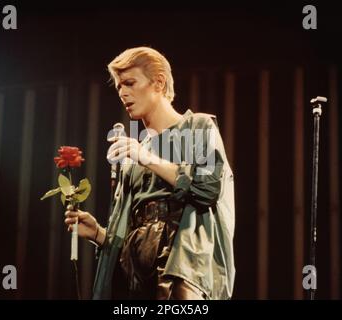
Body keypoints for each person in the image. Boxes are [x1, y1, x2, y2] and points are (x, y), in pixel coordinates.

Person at [64, 47, 235, 300]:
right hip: (136, 279)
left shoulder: (198, 127)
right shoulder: (132, 157)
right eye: (120, 86)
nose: (122, 93)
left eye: (130, 83)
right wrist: (100, 235)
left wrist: (147, 157)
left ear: (158, 83)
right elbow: (134, 231)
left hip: (183, 270)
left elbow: (207, 188)